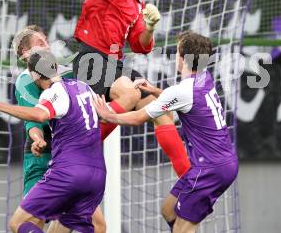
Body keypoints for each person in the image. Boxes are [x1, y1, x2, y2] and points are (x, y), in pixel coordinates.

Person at [92, 31, 239, 233]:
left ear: (182, 58)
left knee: (181, 228)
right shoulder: (204, 79)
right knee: (168, 210)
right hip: (218, 163)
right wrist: (153, 90)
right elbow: (181, 100)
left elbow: (137, 118)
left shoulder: (181, 91)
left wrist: (108, 115)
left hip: (210, 169)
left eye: (177, 52)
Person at [73, 0, 190, 177]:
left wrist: (149, 27)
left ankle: (189, 177)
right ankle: (81, 149)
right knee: (130, 92)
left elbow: (141, 46)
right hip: (91, 58)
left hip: (114, 63)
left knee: (161, 109)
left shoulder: (136, 1)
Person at [0, 50, 106, 233]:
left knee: (17, 223)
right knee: (86, 227)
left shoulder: (56, 92)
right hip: (97, 175)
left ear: (35, 75)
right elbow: (104, 116)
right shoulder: (84, 87)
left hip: (68, 173)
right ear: (56, 67)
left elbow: (38, 114)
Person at [12, 25, 106, 232]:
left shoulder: (60, 74)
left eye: (46, 40)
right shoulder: (25, 81)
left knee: (98, 225)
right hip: (43, 156)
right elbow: (34, 120)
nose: (46, 45)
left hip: (69, 160)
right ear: (25, 54)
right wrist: (37, 138)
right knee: (29, 222)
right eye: (40, 43)